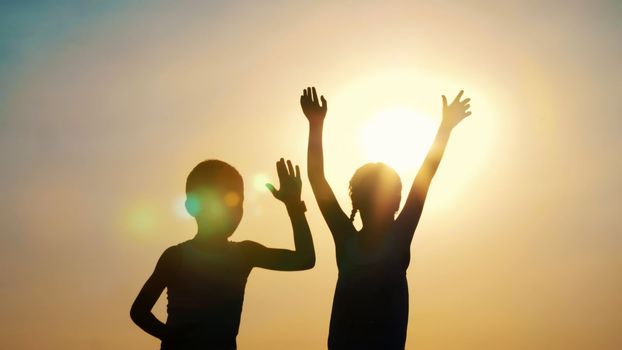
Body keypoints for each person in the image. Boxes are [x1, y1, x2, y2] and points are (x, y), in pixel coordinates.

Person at [300, 87, 471, 349]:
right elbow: (317, 178)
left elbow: (425, 175)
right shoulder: (353, 239)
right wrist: (315, 125)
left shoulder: (388, 239)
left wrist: (445, 129)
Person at [130, 158, 315, 349]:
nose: (231, 209)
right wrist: (171, 336)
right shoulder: (176, 257)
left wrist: (294, 206)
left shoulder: (245, 254)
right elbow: (139, 311)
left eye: (237, 201)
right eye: (219, 199)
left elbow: (305, 259)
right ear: (192, 207)